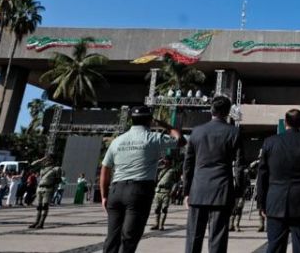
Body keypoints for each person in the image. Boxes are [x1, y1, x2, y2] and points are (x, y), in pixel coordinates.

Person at [101, 105, 183, 253]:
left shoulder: (117, 141)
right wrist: (165, 125)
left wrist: (104, 196)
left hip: (116, 191)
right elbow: (180, 140)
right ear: (150, 120)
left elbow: (105, 169)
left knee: (112, 238)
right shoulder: (154, 138)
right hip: (138, 191)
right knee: (129, 238)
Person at [257, 108, 300, 253]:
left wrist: (261, 203)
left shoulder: (270, 142)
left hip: (275, 201)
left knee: (274, 246)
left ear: (285, 122)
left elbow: (262, 175)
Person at [184, 96, 241, 253]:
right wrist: (238, 192)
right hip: (222, 190)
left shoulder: (197, 131)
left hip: (198, 189)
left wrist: (186, 191)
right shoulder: (234, 132)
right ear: (228, 112)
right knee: (218, 238)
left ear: (211, 110)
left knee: (193, 237)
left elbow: (188, 164)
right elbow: (239, 166)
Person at [30, 155, 63, 229]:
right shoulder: (43, 168)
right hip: (39, 188)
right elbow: (32, 165)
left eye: (49, 159)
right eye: (46, 159)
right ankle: (36, 222)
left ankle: (41, 223)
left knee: (45, 207)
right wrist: (41, 159)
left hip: (48, 189)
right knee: (39, 206)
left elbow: (58, 180)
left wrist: (54, 188)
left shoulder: (56, 169)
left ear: (52, 160)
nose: (47, 161)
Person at [151, 157, 178, 231]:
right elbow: (153, 168)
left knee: (164, 209)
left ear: (169, 162)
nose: (164, 162)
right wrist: (159, 162)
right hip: (158, 191)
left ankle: (161, 225)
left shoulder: (172, 171)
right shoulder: (160, 169)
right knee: (156, 208)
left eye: (166, 160)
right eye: (164, 160)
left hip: (166, 192)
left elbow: (176, 182)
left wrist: (173, 190)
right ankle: (156, 224)